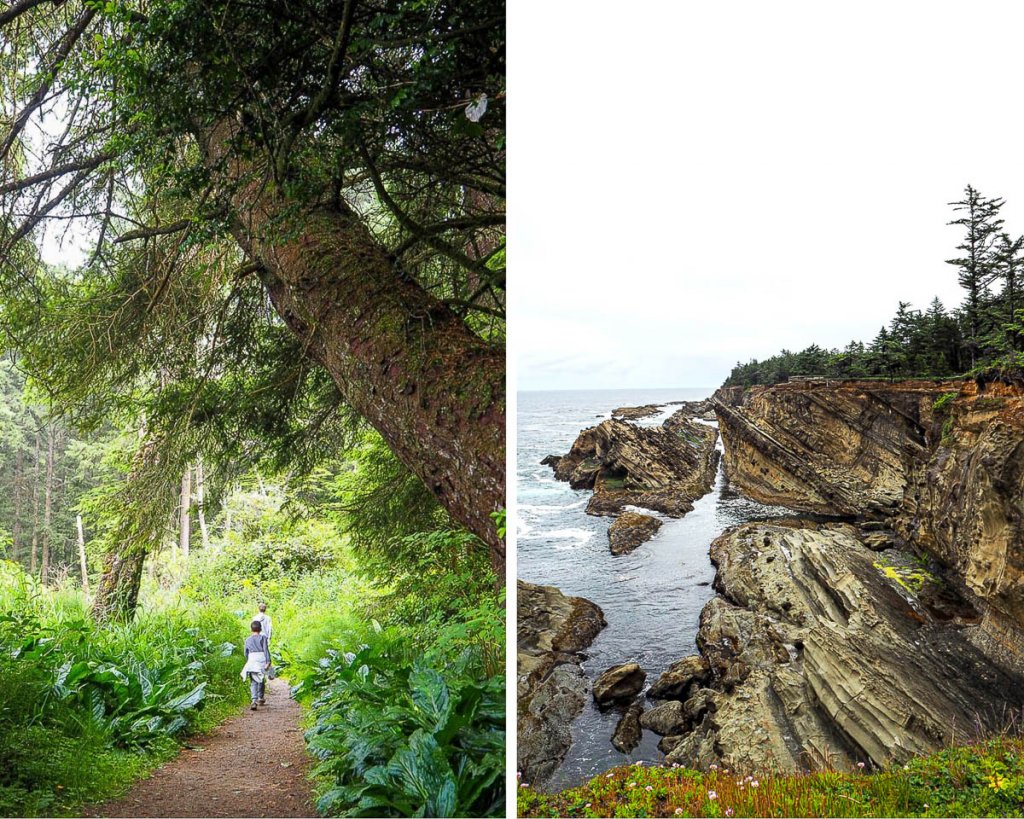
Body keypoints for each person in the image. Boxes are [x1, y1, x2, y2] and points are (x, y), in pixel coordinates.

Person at [240, 620, 270, 710]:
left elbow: (245, 653)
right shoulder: (263, 638)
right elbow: (266, 650)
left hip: (252, 659)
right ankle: (260, 697)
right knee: (261, 679)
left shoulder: (248, 639)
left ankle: (254, 700)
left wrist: (249, 660)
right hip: (261, 659)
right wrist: (268, 661)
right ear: (260, 629)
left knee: (253, 681)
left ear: (251, 629)